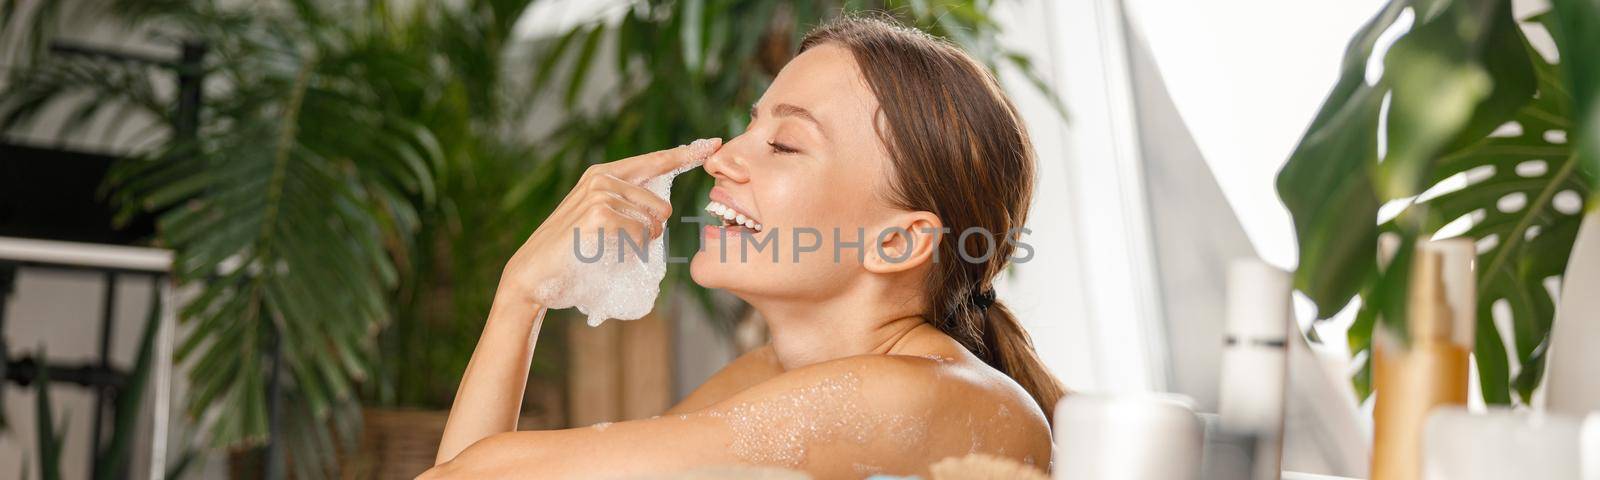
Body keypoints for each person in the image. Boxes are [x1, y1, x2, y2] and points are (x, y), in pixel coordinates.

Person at [423, 15, 1067, 479]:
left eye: (784, 144)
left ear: (897, 241)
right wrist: (522, 296)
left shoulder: (920, 396)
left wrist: (520, 295)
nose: (722, 157)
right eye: (749, 126)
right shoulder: (779, 373)